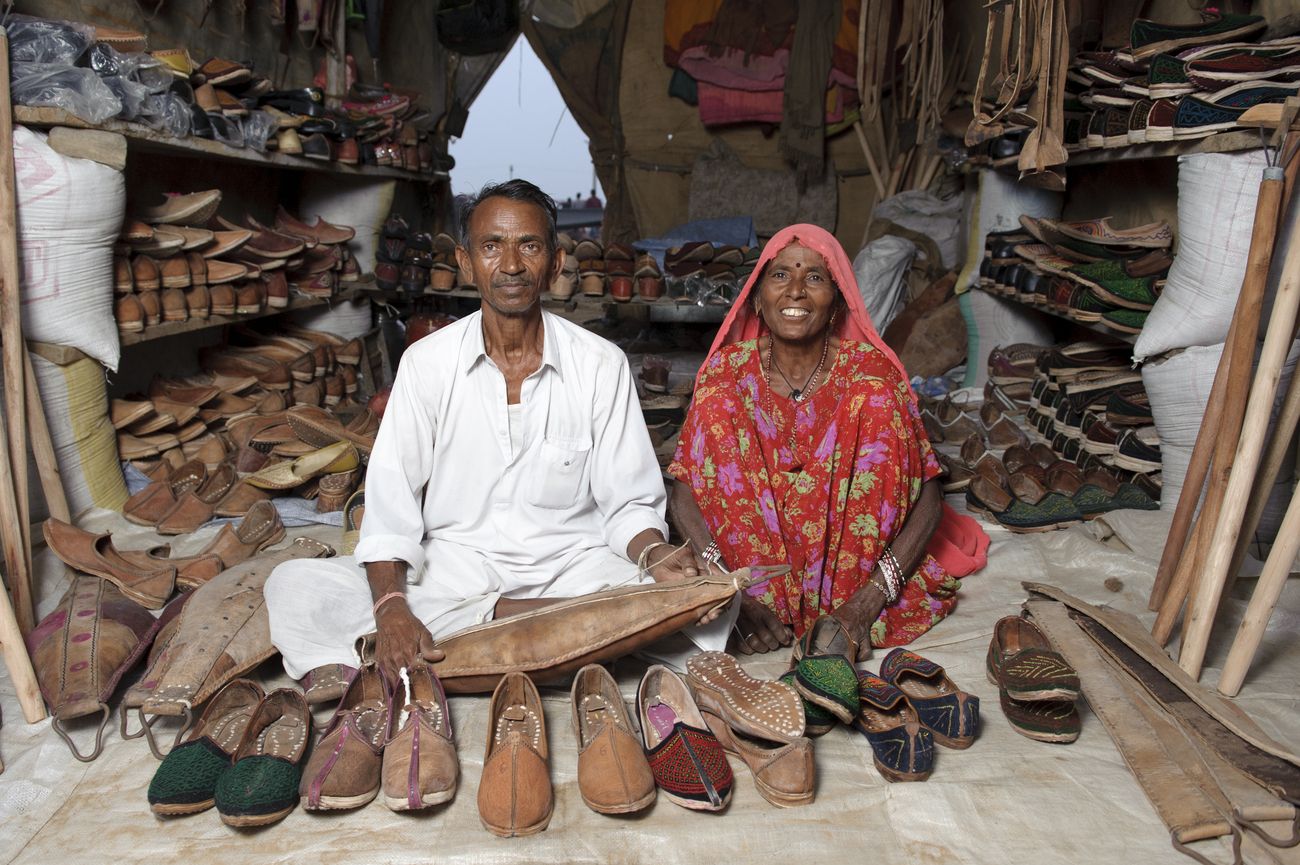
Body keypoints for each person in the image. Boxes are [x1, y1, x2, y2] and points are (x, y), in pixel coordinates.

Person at [265, 179, 726, 682]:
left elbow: (628, 506)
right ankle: (566, 639)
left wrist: (657, 555)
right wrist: (393, 607)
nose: (510, 265)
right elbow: (391, 513)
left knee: (714, 603)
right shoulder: (426, 364)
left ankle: (485, 642)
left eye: (528, 246)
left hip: (572, 569)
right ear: (466, 262)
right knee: (293, 588)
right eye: (491, 246)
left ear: (554, 262)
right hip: (457, 570)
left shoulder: (600, 364)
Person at [668, 224, 987, 662]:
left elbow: (927, 495)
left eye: (814, 277)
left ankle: (846, 602)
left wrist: (865, 606)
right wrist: (728, 594)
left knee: (872, 400)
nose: (796, 291)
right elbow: (684, 488)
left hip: (854, 585)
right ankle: (757, 596)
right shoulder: (726, 373)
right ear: (757, 300)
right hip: (751, 579)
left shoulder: (871, 374)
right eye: (780, 276)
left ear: (838, 303)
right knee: (721, 403)